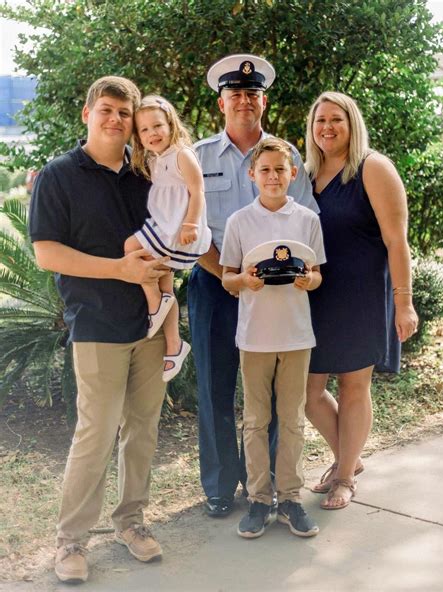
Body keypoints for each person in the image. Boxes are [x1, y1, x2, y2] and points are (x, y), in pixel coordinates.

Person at [29, 76, 169, 584]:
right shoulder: (59, 176)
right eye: (106, 110)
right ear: (87, 113)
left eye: (124, 113)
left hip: (150, 325)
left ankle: (131, 522)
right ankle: (71, 540)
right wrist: (119, 269)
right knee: (96, 433)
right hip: (95, 323)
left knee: (141, 431)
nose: (115, 120)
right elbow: (47, 253)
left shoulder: (146, 174)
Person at [189, 54, 318, 517]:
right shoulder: (198, 157)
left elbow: (307, 224)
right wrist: (225, 272)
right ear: (221, 104)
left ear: (262, 101)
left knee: (273, 396)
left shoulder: (285, 156)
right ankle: (221, 486)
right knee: (216, 386)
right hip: (213, 285)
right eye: (234, 94)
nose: (243, 101)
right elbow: (186, 226)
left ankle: (269, 489)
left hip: (275, 294)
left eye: (251, 94)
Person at [304, 91, 419, 510]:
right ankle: (348, 458)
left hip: (361, 295)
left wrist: (403, 302)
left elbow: (396, 241)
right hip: (314, 297)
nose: (327, 128)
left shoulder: (373, 168)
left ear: (352, 124)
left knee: (354, 386)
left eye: (337, 119)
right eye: (320, 121)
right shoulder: (306, 173)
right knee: (307, 392)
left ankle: (345, 475)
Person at [220, 137, 326, 538]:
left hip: (297, 335)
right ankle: (259, 500)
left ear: (293, 174)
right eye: (264, 170)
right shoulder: (239, 222)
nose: (273, 176)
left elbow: (317, 275)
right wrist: (244, 280)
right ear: (252, 175)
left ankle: (291, 500)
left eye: (280, 170)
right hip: (255, 338)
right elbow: (228, 276)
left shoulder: (307, 220)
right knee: (256, 421)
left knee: (293, 420)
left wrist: (308, 280)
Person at [125, 95, 211, 381]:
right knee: (166, 287)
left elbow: (197, 191)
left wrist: (190, 224)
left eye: (157, 126)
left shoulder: (181, 154)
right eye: (145, 130)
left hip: (176, 229)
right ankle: (174, 346)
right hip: (166, 226)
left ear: (171, 124)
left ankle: (153, 302)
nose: (152, 133)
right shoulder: (155, 158)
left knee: (131, 246)